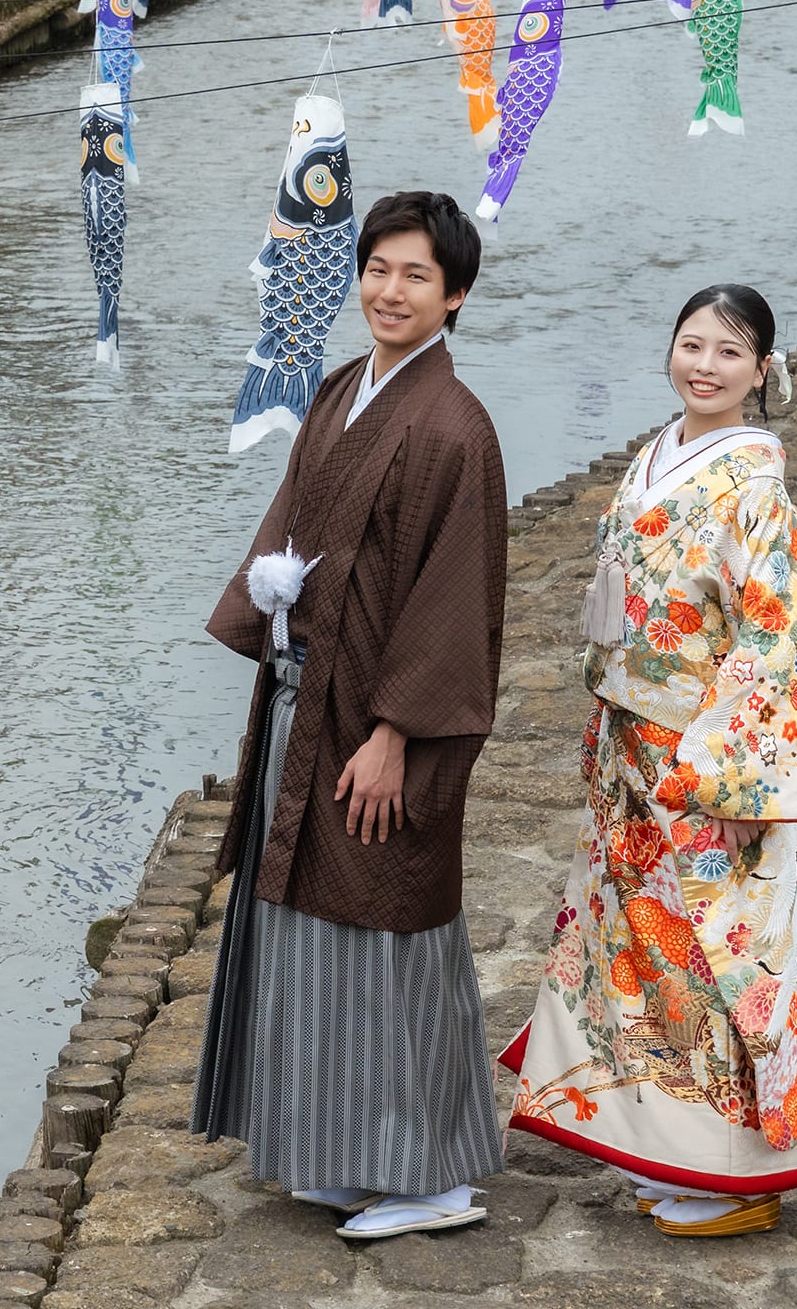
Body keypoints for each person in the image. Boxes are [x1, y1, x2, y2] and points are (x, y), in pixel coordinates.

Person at [503, 285, 797, 1237]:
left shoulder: (758, 492)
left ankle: (740, 1170)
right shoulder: (657, 457)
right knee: (643, 954)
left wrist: (734, 781)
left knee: (720, 960)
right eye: (691, 345)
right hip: (632, 748)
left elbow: (776, 642)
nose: (704, 366)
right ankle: (677, 1148)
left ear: (762, 370)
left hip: (704, 765)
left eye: (729, 353)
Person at [193, 191, 508, 1243]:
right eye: (378, 268)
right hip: (307, 698)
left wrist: (397, 735)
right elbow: (291, 525)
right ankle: (342, 1153)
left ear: (454, 296)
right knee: (309, 928)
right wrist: (269, 610)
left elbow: (455, 601)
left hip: (377, 723)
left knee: (388, 930)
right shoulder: (342, 391)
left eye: (417, 275)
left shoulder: (454, 427)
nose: (390, 290)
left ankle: (431, 1175)